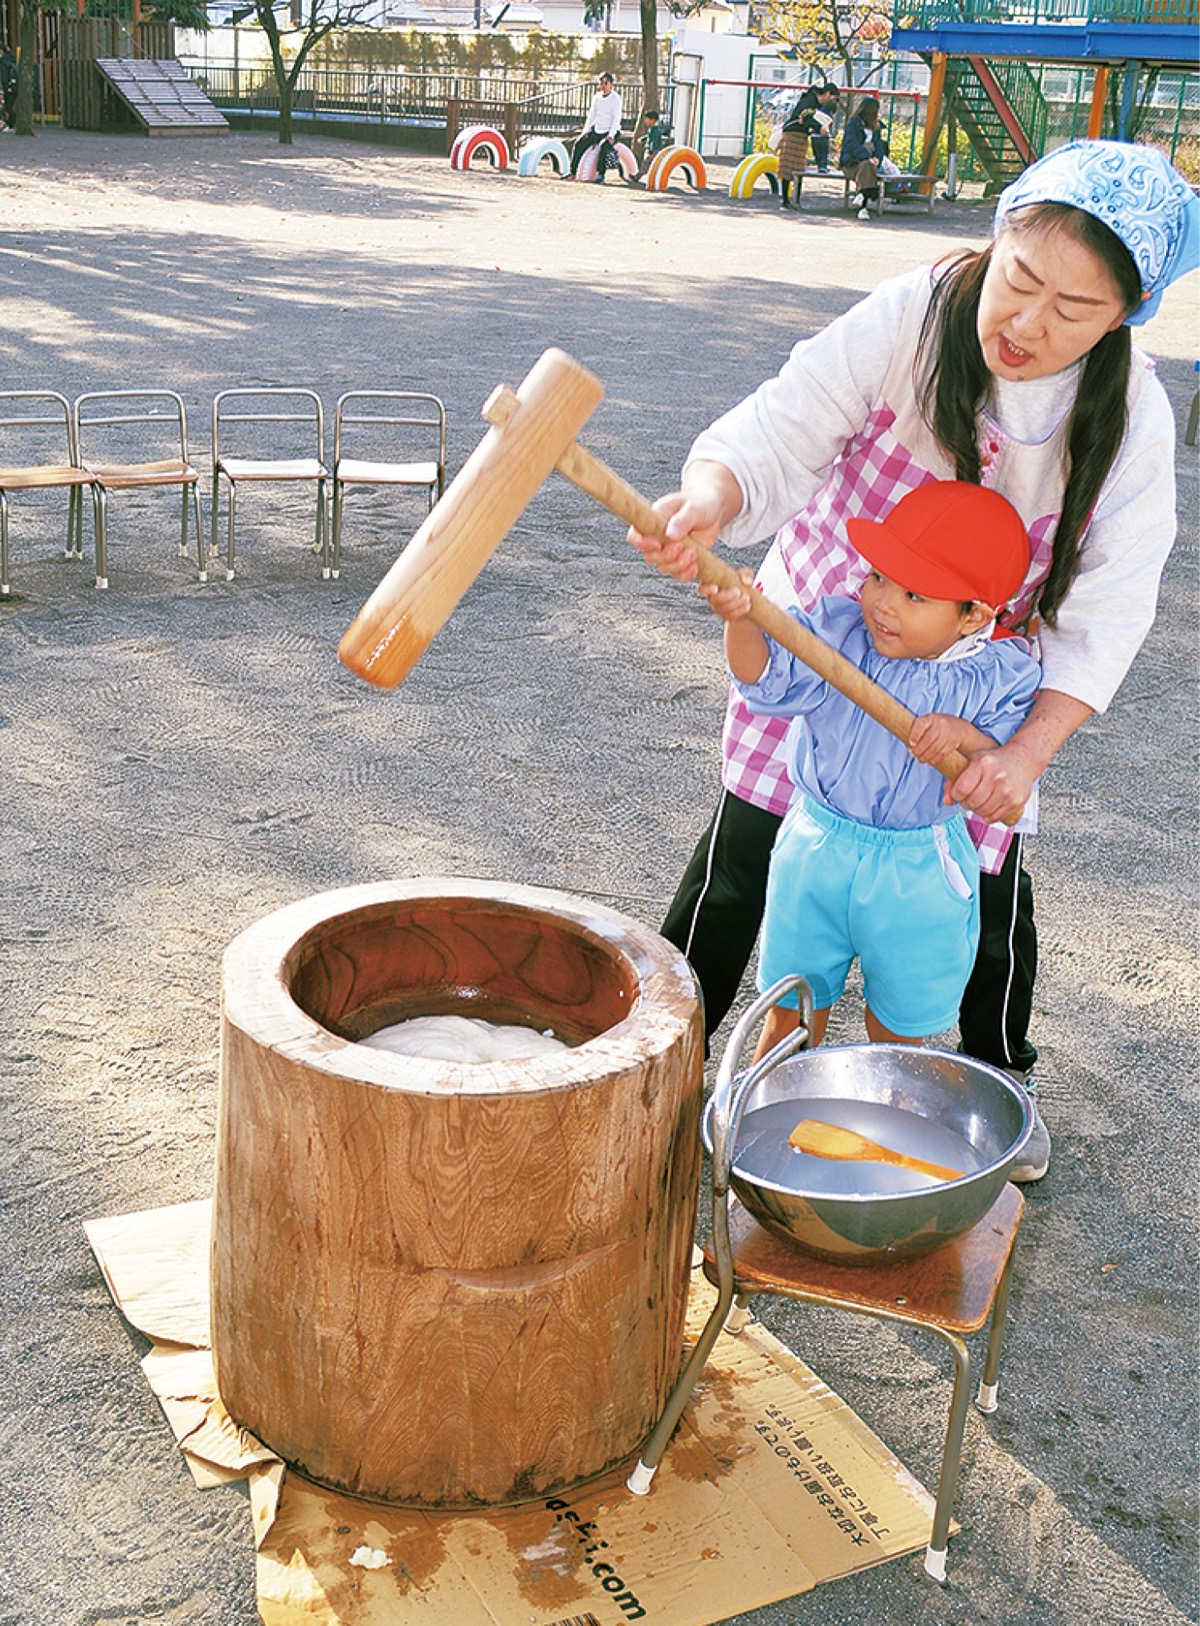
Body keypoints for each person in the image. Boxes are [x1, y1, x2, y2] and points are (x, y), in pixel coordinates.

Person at [628, 139, 1200, 1182]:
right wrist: (711, 497)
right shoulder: (912, 317)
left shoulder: (1131, 418)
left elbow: (1111, 607)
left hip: (972, 674)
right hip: (834, 627)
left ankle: (992, 1081)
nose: (1028, 323)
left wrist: (1022, 754)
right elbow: (781, 427)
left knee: (984, 880)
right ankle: (663, 1057)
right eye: (1020, 279)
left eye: (1074, 309)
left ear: (1126, 315)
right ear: (996, 235)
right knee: (742, 856)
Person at [697, 482, 1039, 1058]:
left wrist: (963, 736)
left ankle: (881, 1104)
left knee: (899, 1033)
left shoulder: (998, 675)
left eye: (914, 594)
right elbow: (763, 678)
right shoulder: (839, 634)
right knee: (791, 1011)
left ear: (973, 615)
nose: (882, 603)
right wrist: (743, 621)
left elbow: (1003, 758)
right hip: (817, 846)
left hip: (918, 867)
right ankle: (771, 1106)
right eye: (879, 576)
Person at [777, 83, 839, 211]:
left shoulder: (816, 104)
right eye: (833, 98)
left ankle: (795, 200)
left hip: (802, 135)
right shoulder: (809, 100)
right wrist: (819, 128)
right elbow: (806, 118)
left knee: (799, 168)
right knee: (787, 168)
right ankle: (785, 200)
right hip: (792, 134)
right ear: (827, 94)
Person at [840, 95, 888, 221]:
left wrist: (877, 158)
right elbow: (851, 143)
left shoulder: (876, 127)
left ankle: (861, 196)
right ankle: (863, 206)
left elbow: (879, 145)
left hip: (869, 164)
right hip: (852, 163)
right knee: (867, 167)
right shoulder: (853, 124)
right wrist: (867, 156)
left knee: (868, 167)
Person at [569, 71, 622, 182]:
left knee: (603, 146)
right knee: (579, 143)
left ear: (611, 84)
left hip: (611, 131)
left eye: (606, 83)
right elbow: (592, 115)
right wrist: (585, 130)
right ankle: (572, 172)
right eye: (601, 83)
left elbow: (616, 118)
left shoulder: (616, 98)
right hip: (597, 129)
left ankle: (600, 174)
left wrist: (611, 135)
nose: (603, 86)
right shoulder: (597, 97)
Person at [0, 47, 17, 131]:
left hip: (7, 86)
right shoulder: (11, 60)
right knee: (8, 106)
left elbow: (4, 75)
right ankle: (10, 124)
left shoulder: (3, 61)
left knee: (7, 106)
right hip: (12, 86)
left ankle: (10, 124)